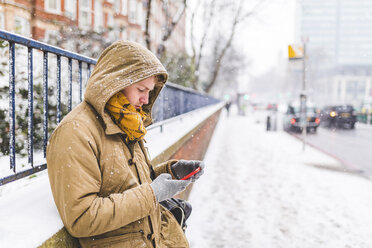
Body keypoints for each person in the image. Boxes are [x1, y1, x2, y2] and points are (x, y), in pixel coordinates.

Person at [46, 41, 205, 248]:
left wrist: (170, 172)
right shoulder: (76, 131)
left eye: (150, 91)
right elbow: (82, 218)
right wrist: (153, 194)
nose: (146, 99)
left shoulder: (126, 122)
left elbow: (124, 184)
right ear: (116, 82)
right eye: (141, 89)